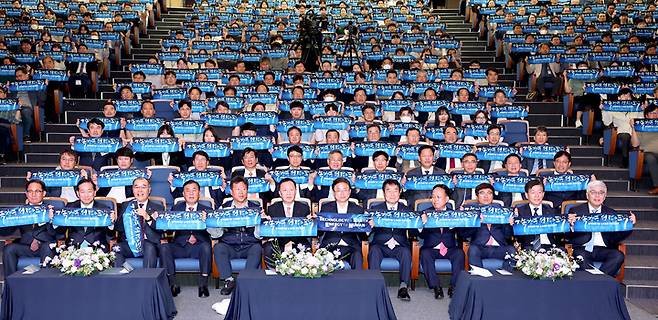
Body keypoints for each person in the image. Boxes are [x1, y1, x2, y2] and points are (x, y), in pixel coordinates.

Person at [567, 181, 636, 276]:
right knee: (580, 256)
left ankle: (597, 281)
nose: (597, 196)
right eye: (593, 192)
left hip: (604, 249)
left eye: (601, 193)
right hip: (583, 248)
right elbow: (567, 236)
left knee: (618, 256)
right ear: (587, 195)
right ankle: (600, 283)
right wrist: (570, 225)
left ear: (605, 196)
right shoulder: (575, 211)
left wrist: (629, 225)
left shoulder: (611, 213)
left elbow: (617, 237)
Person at [160, 180, 212, 298]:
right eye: (187, 190)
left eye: (194, 190)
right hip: (180, 246)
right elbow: (167, 228)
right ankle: (172, 284)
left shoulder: (207, 210)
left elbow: (215, 233)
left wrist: (207, 221)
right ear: (183, 194)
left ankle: (203, 284)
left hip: (199, 247)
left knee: (206, 246)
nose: (191, 193)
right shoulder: (176, 208)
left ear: (199, 193)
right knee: (164, 247)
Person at [214, 176, 263, 295]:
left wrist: (261, 220)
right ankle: (229, 280)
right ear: (231, 192)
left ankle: (245, 281)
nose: (241, 192)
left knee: (257, 248)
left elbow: (259, 236)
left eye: (244, 189)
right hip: (230, 245)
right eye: (237, 189)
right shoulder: (223, 208)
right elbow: (217, 234)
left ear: (247, 191)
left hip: (249, 245)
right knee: (218, 247)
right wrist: (210, 222)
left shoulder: (256, 209)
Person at [368, 179, 414, 301]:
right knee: (374, 250)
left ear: (399, 193)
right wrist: (368, 226)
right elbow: (366, 232)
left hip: (400, 245)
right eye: (389, 191)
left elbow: (414, 232)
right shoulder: (375, 210)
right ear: (384, 193)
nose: (392, 194)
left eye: (395, 191)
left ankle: (403, 287)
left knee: (406, 252)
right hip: (381, 245)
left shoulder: (407, 210)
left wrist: (419, 225)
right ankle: (374, 286)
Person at [419, 184, 464, 299]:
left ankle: (454, 287)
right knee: (424, 253)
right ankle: (436, 287)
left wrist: (462, 220)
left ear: (447, 199)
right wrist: (422, 225)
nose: (435, 200)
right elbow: (420, 235)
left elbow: (463, 234)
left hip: (449, 248)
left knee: (459, 253)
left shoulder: (454, 214)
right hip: (431, 248)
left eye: (438, 197)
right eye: (433, 197)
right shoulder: (425, 213)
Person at [2, 180, 56, 276]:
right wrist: (3, 221)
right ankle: (10, 285)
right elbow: (7, 231)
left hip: (45, 246)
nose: (33, 194)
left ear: (44, 193)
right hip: (26, 247)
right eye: (30, 191)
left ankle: (45, 284)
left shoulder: (51, 210)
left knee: (48, 247)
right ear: (26, 194)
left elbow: (57, 234)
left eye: (37, 191)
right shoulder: (20, 211)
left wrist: (51, 220)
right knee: (9, 249)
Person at [114, 177, 165, 270]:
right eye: (136, 187)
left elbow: (161, 230)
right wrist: (117, 219)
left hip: (149, 244)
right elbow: (119, 228)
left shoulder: (158, 207)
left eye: (143, 187)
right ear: (133, 190)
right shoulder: (126, 205)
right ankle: (125, 276)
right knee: (116, 249)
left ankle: (148, 282)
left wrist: (148, 218)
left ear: (149, 190)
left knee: (149, 248)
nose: (140, 190)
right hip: (129, 244)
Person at [462, 183, 515, 271]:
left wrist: (508, 224)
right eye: (482, 193)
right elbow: (464, 234)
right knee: (473, 249)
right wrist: (476, 222)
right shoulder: (471, 212)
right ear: (477, 196)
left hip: (499, 248)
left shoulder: (502, 211)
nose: (486, 196)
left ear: (493, 196)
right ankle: (478, 280)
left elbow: (508, 236)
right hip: (480, 248)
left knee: (511, 250)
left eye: (489, 193)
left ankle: (506, 278)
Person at [263, 178, 313, 268]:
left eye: (291, 190)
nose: (288, 193)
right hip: (280, 242)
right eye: (285, 190)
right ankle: (275, 272)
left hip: (299, 242)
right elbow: (270, 232)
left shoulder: (304, 207)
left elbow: (307, 232)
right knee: (267, 248)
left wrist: (312, 222)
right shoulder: (272, 208)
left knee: (307, 250)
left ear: (295, 191)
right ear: (280, 193)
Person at [318, 177, 365, 269]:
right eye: (338, 190)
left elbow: (363, 236)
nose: (342, 193)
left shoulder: (358, 209)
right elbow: (320, 233)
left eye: (345, 190)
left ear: (350, 192)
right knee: (323, 257)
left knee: (357, 256)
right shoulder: (326, 208)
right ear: (334, 193)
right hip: (330, 245)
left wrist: (367, 227)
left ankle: (359, 282)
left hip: (351, 246)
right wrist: (315, 223)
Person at [63, 178, 116, 250]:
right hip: (73, 246)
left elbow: (111, 235)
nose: (86, 195)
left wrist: (111, 224)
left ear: (95, 192)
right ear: (78, 193)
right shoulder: (70, 208)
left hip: (98, 247)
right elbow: (60, 231)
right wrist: (55, 221)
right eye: (82, 192)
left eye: (89, 191)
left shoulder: (104, 209)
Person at [514, 180, 564, 250]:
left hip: (550, 247)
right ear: (526, 195)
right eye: (533, 192)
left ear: (543, 194)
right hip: (528, 248)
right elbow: (511, 235)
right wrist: (511, 224)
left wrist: (569, 224)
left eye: (539, 192)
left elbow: (561, 235)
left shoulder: (551, 211)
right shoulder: (519, 212)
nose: (537, 195)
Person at [404, 145, 447, 210]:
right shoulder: (411, 174)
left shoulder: (441, 173)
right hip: (416, 209)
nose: (427, 159)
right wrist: (404, 186)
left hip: (437, 209)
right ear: (419, 158)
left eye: (430, 156)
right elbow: (407, 194)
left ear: (433, 157)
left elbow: (446, 193)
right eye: (424, 156)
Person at [630, 104, 658, 194]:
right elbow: (635, 144)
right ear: (646, 115)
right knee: (651, 158)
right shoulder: (641, 126)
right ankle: (657, 186)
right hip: (647, 153)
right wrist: (633, 128)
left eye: (657, 113)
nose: (655, 115)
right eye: (652, 113)